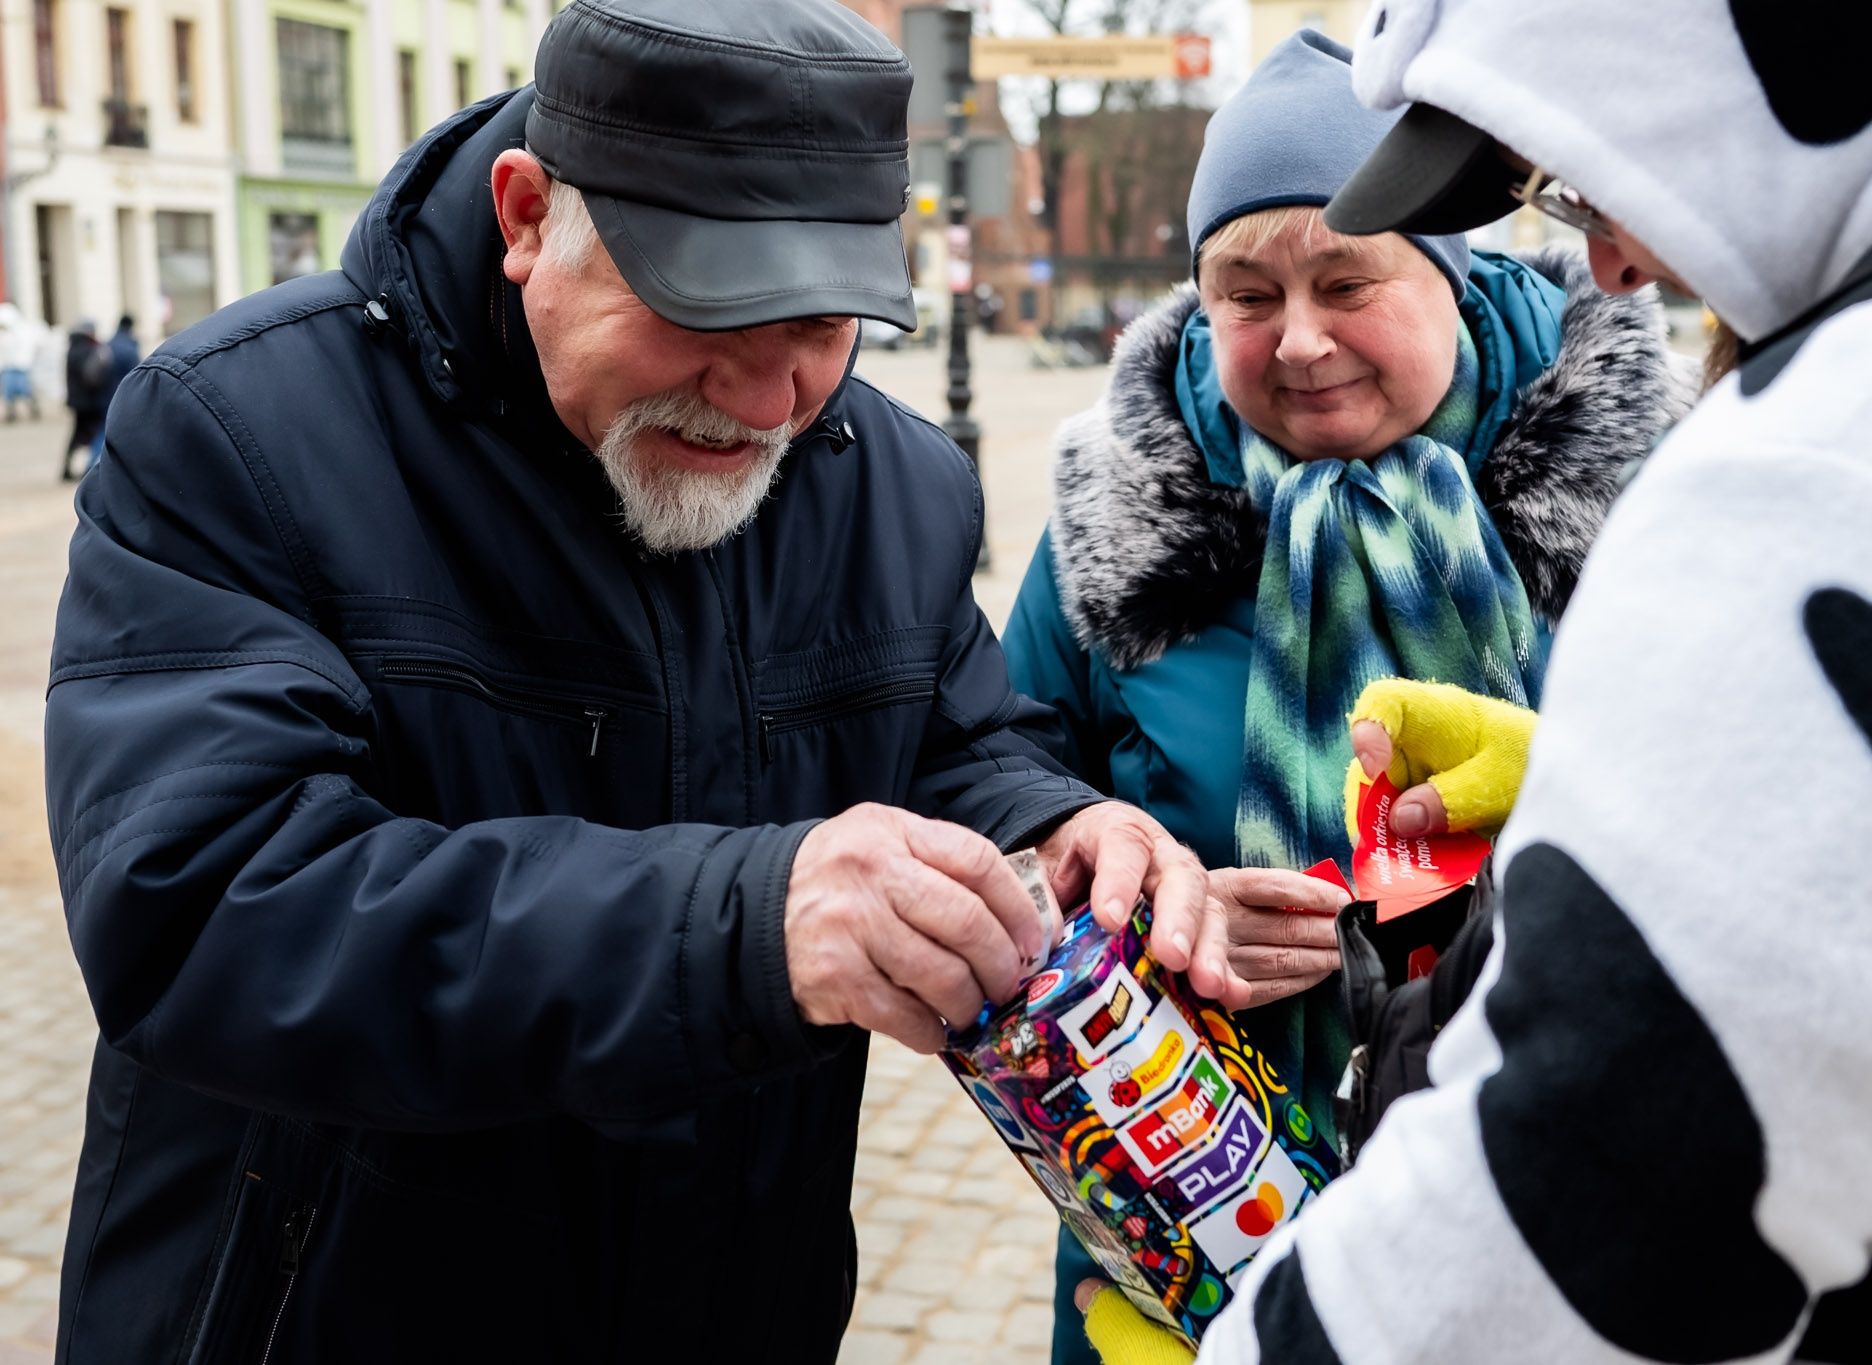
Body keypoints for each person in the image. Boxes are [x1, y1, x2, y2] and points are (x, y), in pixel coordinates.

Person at [41, 2, 1227, 1360]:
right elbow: (203, 909)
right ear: (528, 213)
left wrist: (1053, 831)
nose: (774, 396)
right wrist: (744, 927)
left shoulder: (893, 480)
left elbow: (954, 740)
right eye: (705, 309)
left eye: (829, 324)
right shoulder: (234, 432)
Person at [1180, 1, 1872, 1361]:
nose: (1611, 265)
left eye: (1579, 180)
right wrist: (1590, 788)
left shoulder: (1853, 463)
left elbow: (1542, 1255)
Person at [1000, 30, 1693, 1364]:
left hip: (1544, 1173)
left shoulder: (1657, 487)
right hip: (1189, 1184)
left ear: (1452, 269)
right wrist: (1142, 915)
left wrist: (1541, 807)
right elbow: (999, 776)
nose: (1300, 340)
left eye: (1348, 279)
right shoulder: (1115, 515)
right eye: (1245, 294)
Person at [85, 313, 140, 469]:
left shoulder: (108, 344)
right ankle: (91, 468)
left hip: (104, 395)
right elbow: (136, 376)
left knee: (103, 430)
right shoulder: (130, 348)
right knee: (109, 433)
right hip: (123, 397)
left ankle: (92, 466)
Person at [58, 318, 105, 481]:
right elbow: (91, 377)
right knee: (91, 434)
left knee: (78, 435)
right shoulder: (87, 349)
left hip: (77, 401)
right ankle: (88, 469)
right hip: (87, 401)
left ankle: (68, 468)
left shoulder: (73, 347)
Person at [0, 303, 42, 421]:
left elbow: (31, 349)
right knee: (8, 392)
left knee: (25, 390)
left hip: (21, 367)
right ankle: (10, 412)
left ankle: (33, 408)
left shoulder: (23, 333)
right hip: (7, 368)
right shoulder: (3, 335)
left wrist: (27, 361)